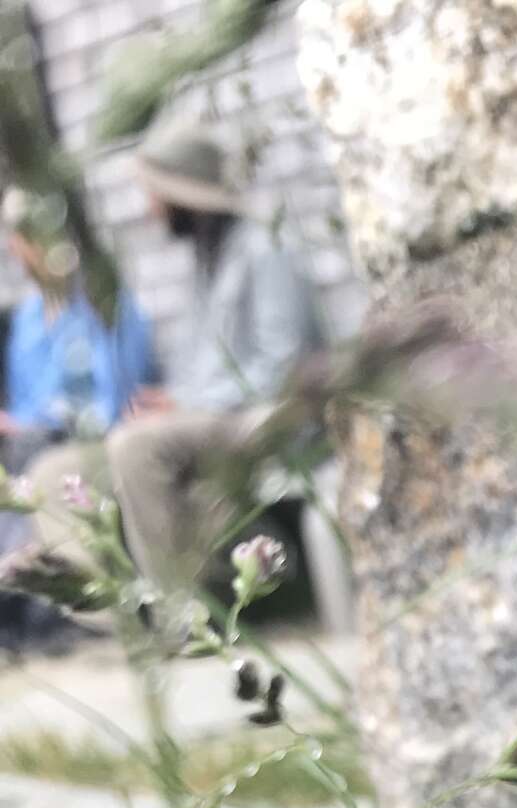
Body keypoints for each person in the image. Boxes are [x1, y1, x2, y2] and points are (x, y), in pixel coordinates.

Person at [26, 127, 322, 592]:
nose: (150, 210)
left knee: (136, 446)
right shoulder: (204, 261)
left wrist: (185, 403)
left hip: (261, 418)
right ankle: (119, 614)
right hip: (205, 418)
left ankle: (179, 609)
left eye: (155, 196)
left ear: (183, 195)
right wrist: (171, 400)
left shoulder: (266, 249)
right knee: (54, 472)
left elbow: (283, 367)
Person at [1, 188, 156, 458]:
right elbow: (23, 406)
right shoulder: (27, 317)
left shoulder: (104, 302)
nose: (15, 249)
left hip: (92, 446)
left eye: (24, 237)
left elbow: (116, 401)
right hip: (29, 447)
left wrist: (35, 426)